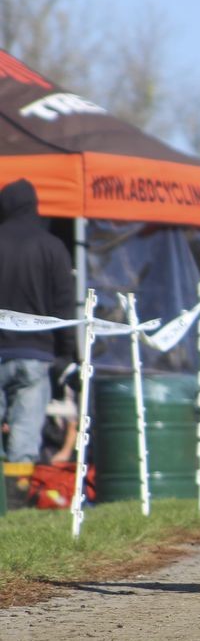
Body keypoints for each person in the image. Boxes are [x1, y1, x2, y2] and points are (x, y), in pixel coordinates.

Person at [0, 178, 76, 466]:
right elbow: (64, 306)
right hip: (35, 354)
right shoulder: (53, 247)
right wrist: (66, 354)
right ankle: (17, 501)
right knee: (25, 436)